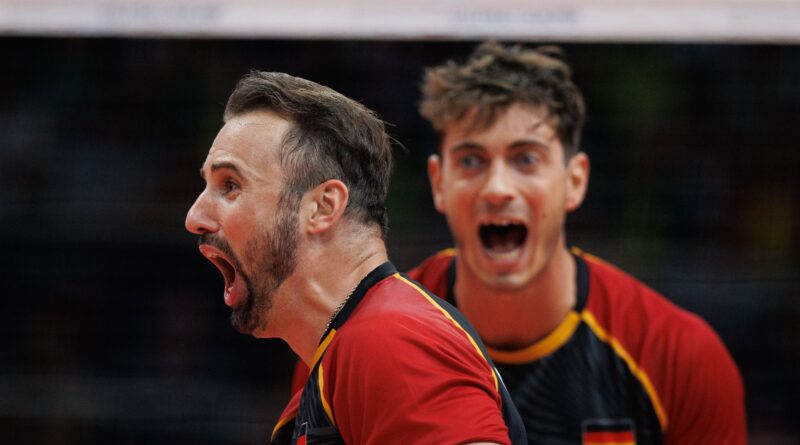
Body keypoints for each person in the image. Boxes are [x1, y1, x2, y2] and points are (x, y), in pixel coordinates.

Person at [408, 42, 747, 444]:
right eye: (470, 161)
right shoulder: (369, 341)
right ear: (437, 182)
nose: (497, 188)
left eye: (526, 159)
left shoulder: (680, 356)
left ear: (575, 180)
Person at [185, 71, 525, 445]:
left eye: (230, 185)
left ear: (322, 207)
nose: (194, 217)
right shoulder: (331, 368)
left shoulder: (391, 341)